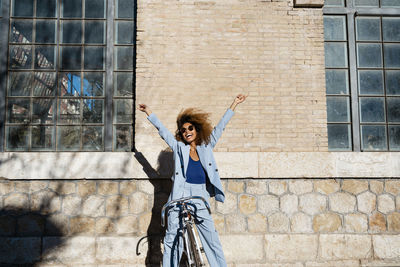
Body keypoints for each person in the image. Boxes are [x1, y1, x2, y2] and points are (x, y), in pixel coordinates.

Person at [138, 94, 247, 267]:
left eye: (190, 128)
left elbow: (220, 127)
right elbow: (163, 132)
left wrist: (234, 104)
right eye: (183, 130)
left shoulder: (207, 147)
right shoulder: (179, 147)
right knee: (172, 238)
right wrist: (148, 112)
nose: (187, 132)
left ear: (197, 130)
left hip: (200, 194)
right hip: (179, 193)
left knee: (211, 237)